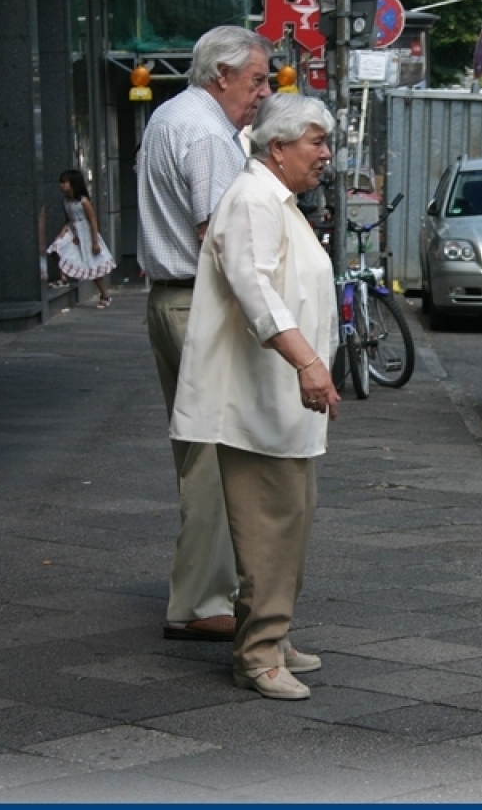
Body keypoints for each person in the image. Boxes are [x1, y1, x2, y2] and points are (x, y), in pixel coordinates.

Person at [170, 92, 339, 700]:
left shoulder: (276, 200)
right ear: (279, 147)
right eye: (316, 141)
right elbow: (256, 290)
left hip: (282, 401)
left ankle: (271, 631)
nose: (325, 154)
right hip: (259, 398)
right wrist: (308, 362)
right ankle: (258, 654)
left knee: (290, 520)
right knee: (269, 526)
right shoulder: (252, 201)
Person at [137, 25, 274, 642]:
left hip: (171, 301)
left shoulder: (170, 116)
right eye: (256, 80)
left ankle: (203, 592)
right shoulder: (208, 134)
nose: (264, 93)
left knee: (198, 452)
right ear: (222, 75)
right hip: (199, 304)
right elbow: (225, 239)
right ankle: (199, 602)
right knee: (214, 459)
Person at [48, 170, 115, 307]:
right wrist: (63, 232)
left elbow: (92, 220)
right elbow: (69, 220)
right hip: (73, 231)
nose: (61, 185)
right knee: (55, 248)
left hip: (86, 235)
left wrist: (95, 242)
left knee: (92, 265)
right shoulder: (66, 202)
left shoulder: (83, 201)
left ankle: (105, 294)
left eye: (64, 182)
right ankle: (63, 277)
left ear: (73, 183)